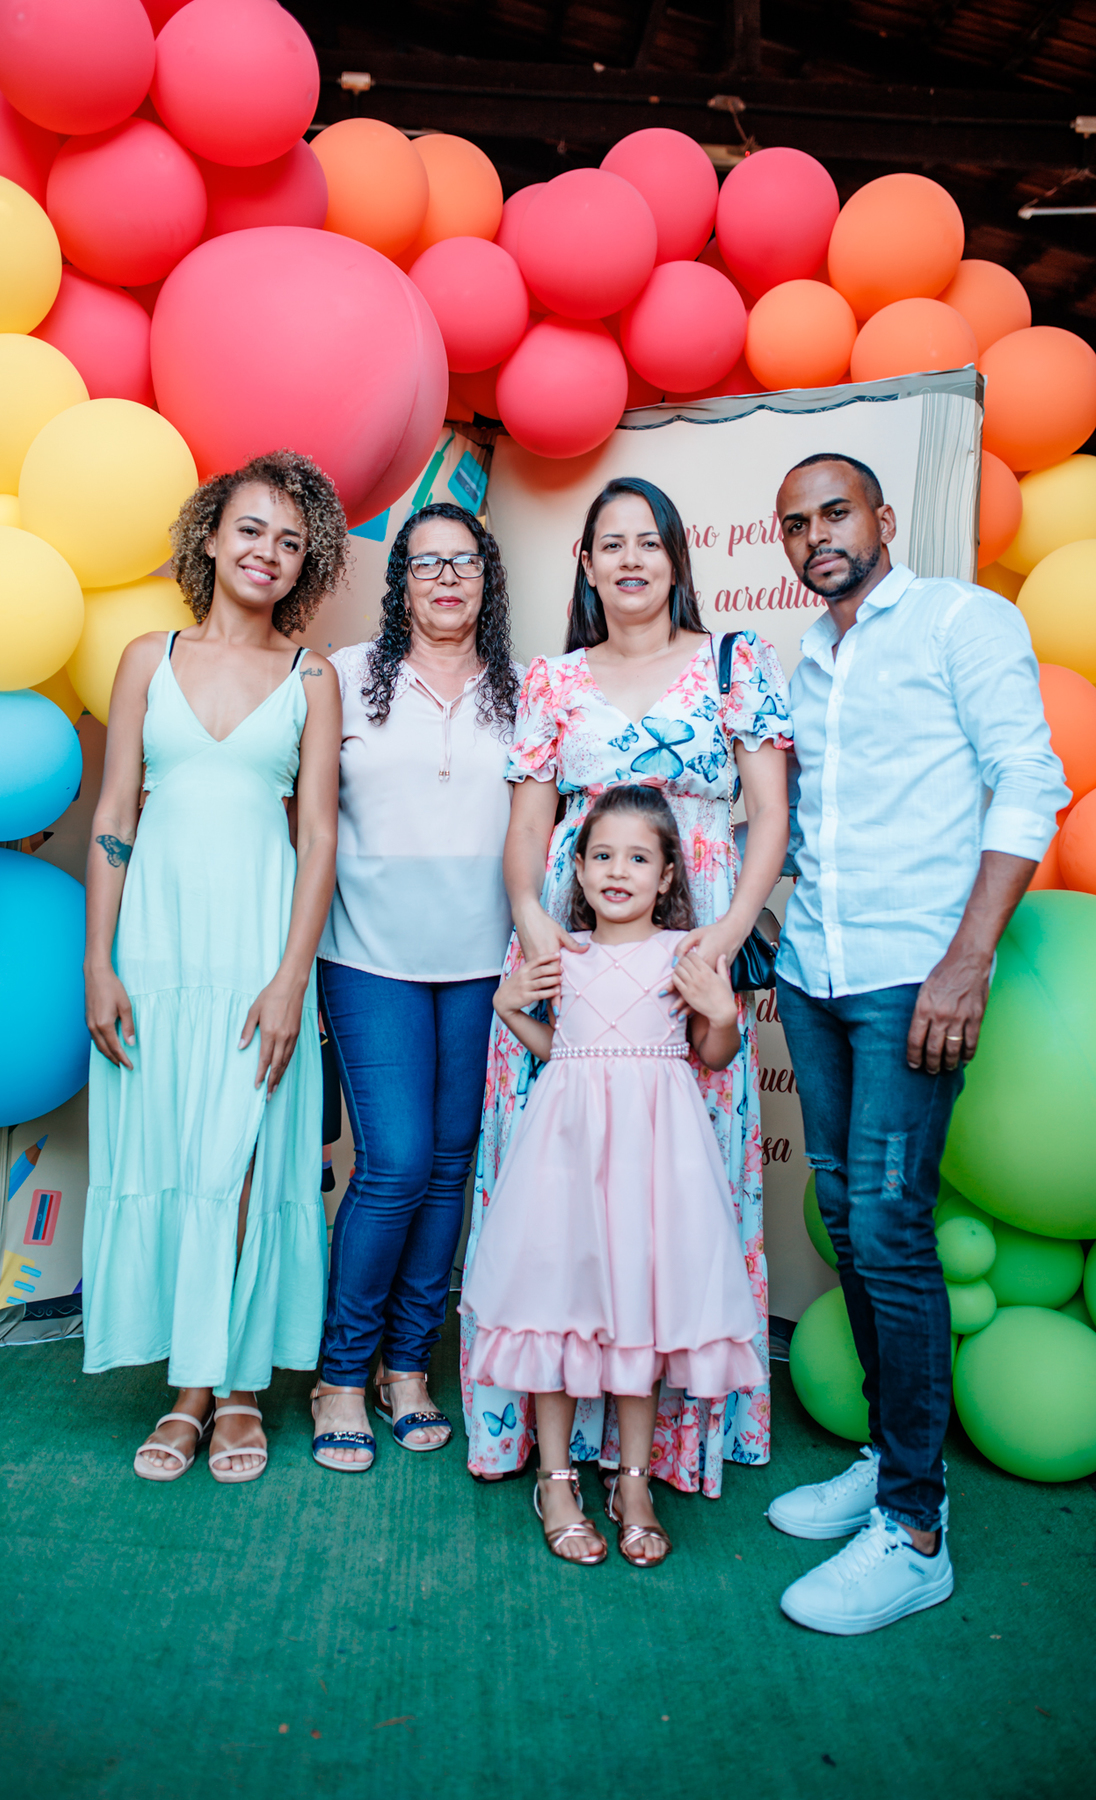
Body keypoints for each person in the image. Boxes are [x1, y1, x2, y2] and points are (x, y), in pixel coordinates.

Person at [767, 451, 1068, 1633]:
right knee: (851, 1222)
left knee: (891, 1234)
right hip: (814, 974)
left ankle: (915, 1529)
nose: (816, 537)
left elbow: (1028, 783)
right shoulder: (809, 658)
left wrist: (967, 959)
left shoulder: (960, 619)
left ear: (883, 518)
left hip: (912, 978)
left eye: (834, 513)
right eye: (796, 524)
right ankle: (890, 1461)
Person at [461, 475, 793, 1493]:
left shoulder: (735, 661)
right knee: (556, 1179)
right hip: (574, 941)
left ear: (676, 557)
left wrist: (722, 939)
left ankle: (659, 1447)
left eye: (649, 542)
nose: (632, 559)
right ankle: (547, 1439)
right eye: (612, 543)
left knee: (678, 1176)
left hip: (691, 941)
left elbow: (770, 816)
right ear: (588, 564)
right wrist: (533, 922)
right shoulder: (553, 681)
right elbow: (527, 828)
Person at [82, 451, 346, 1486]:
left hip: (257, 951)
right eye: (251, 529)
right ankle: (190, 1387)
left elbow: (317, 838)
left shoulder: (312, 677)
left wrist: (291, 979)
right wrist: (98, 963)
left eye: (291, 541)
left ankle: (236, 1389)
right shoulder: (146, 658)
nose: (267, 552)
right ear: (209, 535)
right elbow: (115, 815)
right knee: (179, 1158)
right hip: (157, 947)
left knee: (240, 1163)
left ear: (306, 564)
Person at [463, 786, 766, 1565]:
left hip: (654, 1161)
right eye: (602, 856)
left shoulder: (686, 952)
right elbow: (564, 1052)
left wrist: (722, 1015)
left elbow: (713, 1055)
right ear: (578, 867)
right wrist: (508, 1007)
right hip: (565, 1156)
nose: (617, 871)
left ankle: (633, 1485)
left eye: (637, 858)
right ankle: (556, 1480)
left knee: (642, 1313)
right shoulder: (562, 954)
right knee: (554, 1306)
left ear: (667, 876)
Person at [311, 503, 523, 1472]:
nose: (446, 578)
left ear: (488, 578)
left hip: (486, 964)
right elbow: (305, 818)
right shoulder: (346, 676)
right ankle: (340, 1374)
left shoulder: (524, 689)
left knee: (447, 1167)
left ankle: (406, 1366)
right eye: (426, 563)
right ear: (399, 581)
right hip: (369, 956)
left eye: (463, 561)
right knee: (393, 1164)